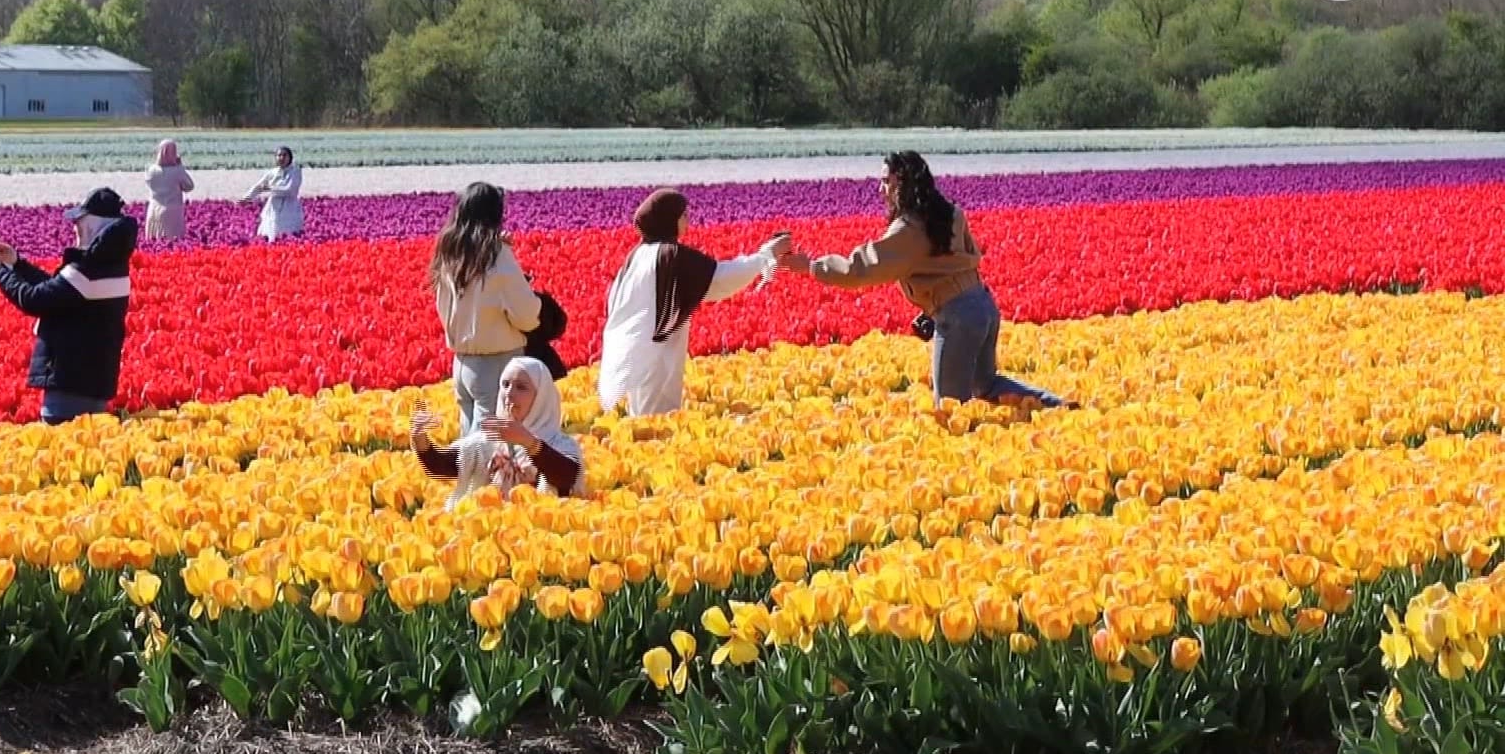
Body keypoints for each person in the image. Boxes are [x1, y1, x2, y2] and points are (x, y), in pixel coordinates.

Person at [778, 150, 1066, 409]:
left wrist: (812, 267)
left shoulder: (910, 228)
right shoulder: (950, 213)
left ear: (903, 183)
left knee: (950, 407)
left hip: (958, 318)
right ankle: (1056, 406)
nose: (880, 190)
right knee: (986, 384)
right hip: (983, 305)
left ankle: (979, 446)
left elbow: (861, 269)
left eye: (886, 182)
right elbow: (954, 263)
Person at [597, 188, 792, 417]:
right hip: (657, 349)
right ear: (669, 219)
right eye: (684, 215)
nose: (688, 221)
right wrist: (765, 256)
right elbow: (721, 279)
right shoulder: (670, 256)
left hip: (635, 347)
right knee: (657, 413)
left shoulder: (637, 255)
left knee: (642, 411)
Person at [0, 187, 139, 424]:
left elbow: (34, 300)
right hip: (93, 379)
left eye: (79, 221)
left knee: (65, 441)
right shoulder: (111, 264)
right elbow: (57, 292)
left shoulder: (89, 269)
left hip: (70, 381)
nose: (75, 228)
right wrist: (17, 264)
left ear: (94, 225)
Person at [431, 182, 542, 434]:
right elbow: (526, 315)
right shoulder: (496, 255)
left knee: (469, 439)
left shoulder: (449, 251)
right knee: (488, 444)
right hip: (496, 363)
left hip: (462, 363)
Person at [411, 356, 585, 509]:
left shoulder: (559, 444)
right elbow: (442, 465)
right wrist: (421, 440)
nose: (509, 393)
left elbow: (566, 478)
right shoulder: (487, 442)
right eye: (505, 385)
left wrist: (529, 442)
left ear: (541, 397)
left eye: (521, 387)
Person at [242, 146, 304, 241]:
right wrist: (246, 198)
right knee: (271, 232)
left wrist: (270, 188)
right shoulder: (273, 172)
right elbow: (259, 186)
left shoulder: (295, 171)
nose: (281, 158)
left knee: (288, 234)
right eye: (279, 155)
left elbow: (290, 190)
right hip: (273, 207)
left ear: (290, 157)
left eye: (284, 155)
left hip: (289, 208)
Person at [144, 139, 195, 241]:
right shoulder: (177, 171)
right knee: (172, 240)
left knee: (154, 239)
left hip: (154, 209)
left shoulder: (151, 170)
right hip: (172, 211)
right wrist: (180, 166)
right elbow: (189, 186)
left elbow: (149, 183)